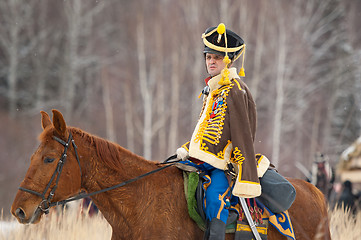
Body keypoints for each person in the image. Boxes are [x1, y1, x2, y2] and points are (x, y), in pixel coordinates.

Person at [176, 23, 271, 240]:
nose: (210, 61)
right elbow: (205, 132)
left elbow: (243, 134)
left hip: (223, 164)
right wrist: (188, 148)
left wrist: (239, 169)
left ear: (227, 60)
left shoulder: (235, 89)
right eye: (208, 57)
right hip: (201, 160)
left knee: (215, 199)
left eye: (216, 58)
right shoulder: (213, 88)